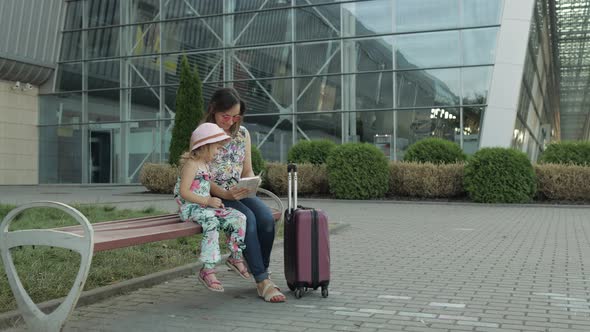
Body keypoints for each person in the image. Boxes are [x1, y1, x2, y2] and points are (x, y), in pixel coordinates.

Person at [206, 87, 286, 303]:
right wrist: (225, 193)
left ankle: (260, 269)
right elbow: (199, 175)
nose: (230, 121)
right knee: (247, 219)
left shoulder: (242, 134)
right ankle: (262, 280)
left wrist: (250, 184)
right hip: (214, 194)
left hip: (239, 191)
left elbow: (247, 169)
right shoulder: (202, 134)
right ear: (213, 110)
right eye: (226, 116)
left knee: (267, 219)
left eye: (235, 116)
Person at [173, 122, 249, 292]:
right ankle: (207, 269)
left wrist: (217, 201)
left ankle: (236, 256)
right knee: (212, 220)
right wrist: (207, 201)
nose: (217, 152)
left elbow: (207, 188)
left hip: (204, 207)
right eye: (216, 148)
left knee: (238, 217)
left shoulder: (205, 165)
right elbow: (184, 192)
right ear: (205, 146)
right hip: (191, 208)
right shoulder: (191, 165)